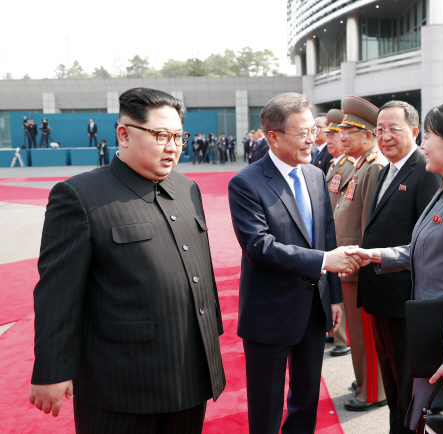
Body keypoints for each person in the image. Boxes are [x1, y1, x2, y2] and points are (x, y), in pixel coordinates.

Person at [28, 87, 225, 434]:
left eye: (179, 136)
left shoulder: (187, 188)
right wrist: (52, 370)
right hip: (120, 384)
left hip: (190, 374)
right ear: (124, 134)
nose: (173, 146)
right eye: (161, 135)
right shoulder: (80, 196)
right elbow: (57, 293)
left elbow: (200, 275)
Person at [348, 102, 443, 430]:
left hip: (440, 340)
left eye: (427, 136)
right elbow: (419, 249)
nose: (423, 145)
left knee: (426, 419)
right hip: (425, 331)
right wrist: (376, 255)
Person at [227, 92, 363, 434]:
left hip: (313, 309)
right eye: (303, 132)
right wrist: (324, 262)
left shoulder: (314, 176)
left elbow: (327, 236)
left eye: (312, 131)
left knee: (305, 400)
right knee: (267, 407)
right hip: (269, 313)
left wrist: (333, 298)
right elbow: (258, 246)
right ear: (274, 137)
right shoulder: (246, 183)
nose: (312, 139)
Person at [357, 100, 441, 433]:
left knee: (408, 392)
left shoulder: (424, 171)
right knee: (392, 385)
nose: (385, 136)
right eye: (380, 130)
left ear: (415, 131)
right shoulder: (387, 168)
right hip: (381, 298)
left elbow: (428, 244)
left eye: (394, 128)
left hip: (404, 302)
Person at [334, 95, 388, 412]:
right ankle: (363, 380)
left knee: (365, 333)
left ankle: (373, 391)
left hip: (358, 264)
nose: (342, 136)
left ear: (367, 135)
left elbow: (368, 224)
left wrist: (358, 262)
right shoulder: (360, 165)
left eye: (349, 131)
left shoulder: (373, 166)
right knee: (356, 332)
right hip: (347, 261)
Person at [324, 108, 352, 358]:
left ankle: (342, 337)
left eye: (339, 134)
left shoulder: (350, 165)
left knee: (341, 290)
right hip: (331, 233)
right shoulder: (337, 163)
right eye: (331, 135)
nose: (333, 139)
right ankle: (335, 331)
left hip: (342, 236)